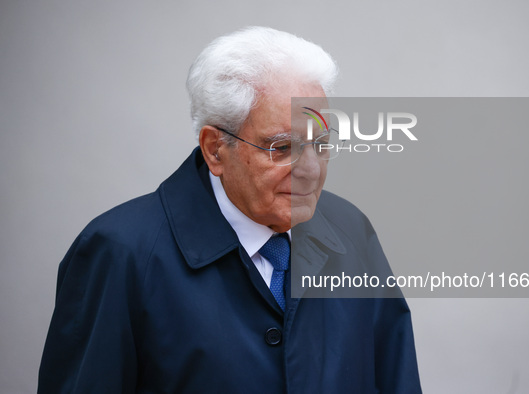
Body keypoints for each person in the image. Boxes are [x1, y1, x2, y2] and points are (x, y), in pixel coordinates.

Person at [38, 26, 422, 393]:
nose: (310, 170)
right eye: (282, 148)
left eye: (321, 144)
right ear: (215, 149)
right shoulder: (119, 253)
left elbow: (395, 378)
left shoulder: (353, 231)